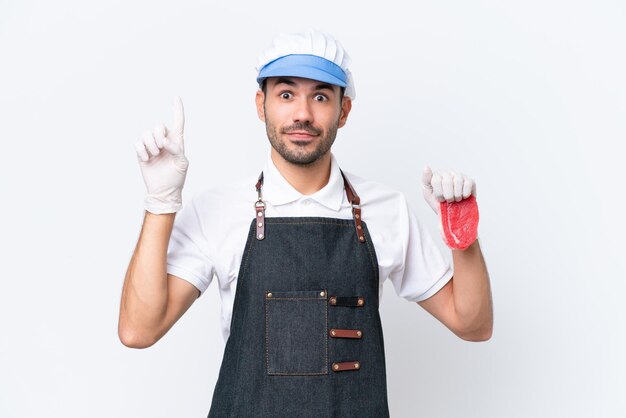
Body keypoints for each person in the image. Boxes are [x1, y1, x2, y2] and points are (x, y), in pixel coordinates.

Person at [119, 28, 493, 417]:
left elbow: (473, 324)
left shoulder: (387, 210)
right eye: (286, 94)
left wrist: (461, 235)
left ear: (343, 111)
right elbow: (139, 330)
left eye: (320, 96)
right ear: (261, 104)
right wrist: (161, 204)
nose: (302, 113)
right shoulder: (217, 209)